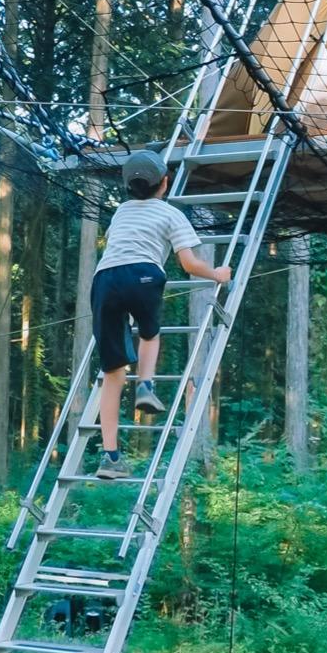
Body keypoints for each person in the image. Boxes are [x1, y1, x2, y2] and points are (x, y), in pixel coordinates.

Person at [88, 150, 231, 479]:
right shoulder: (170, 214)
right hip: (144, 274)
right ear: (164, 183)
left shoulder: (121, 212)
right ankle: (146, 385)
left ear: (128, 187)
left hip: (104, 280)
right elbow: (189, 264)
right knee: (150, 333)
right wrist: (218, 274)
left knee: (112, 373)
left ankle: (111, 458)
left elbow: (116, 246)